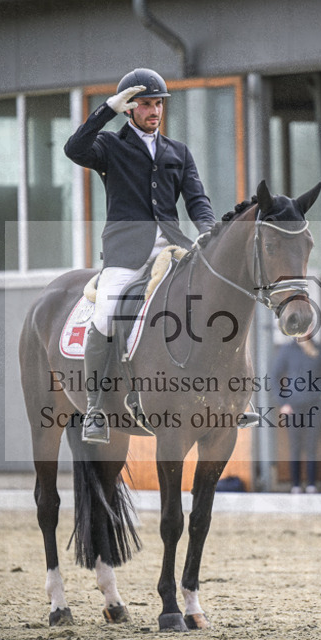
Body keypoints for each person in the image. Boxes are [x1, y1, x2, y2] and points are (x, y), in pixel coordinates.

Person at [64, 68, 216, 443]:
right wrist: (106, 110)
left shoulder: (178, 152)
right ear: (130, 109)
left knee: (212, 303)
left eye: (158, 104)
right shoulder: (109, 147)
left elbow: (196, 199)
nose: (154, 111)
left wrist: (209, 229)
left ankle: (221, 398)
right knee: (106, 313)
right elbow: (74, 149)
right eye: (146, 105)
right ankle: (96, 407)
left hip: (173, 246)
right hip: (126, 252)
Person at [272, 338, 321, 493]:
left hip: (314, 405)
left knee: (312, 446)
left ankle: (311, 484)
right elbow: (274, 376)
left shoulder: (318, 349)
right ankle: (295, 484)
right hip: (294, 406)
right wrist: (283, 403)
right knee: (295, 446)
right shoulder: (287, 350)